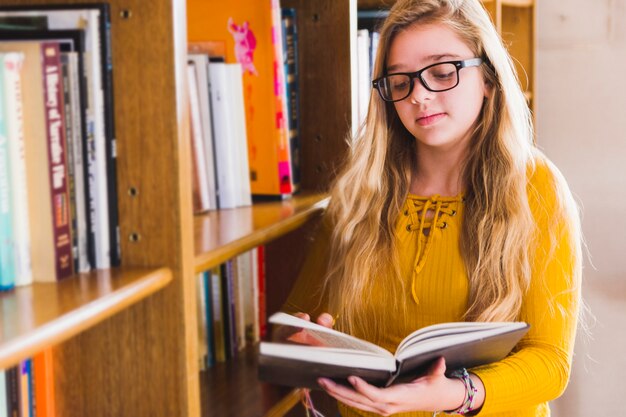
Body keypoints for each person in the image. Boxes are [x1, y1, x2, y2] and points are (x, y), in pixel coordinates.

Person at [283, 0, 582, 416]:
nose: (419, 95)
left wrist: (451, 394)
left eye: (442, 72)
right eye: (400, 80)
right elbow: (293, 320)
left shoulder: (535, 187)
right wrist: (306, 342)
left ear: (489, 79)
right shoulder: (360, 192)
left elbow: (550, 362)